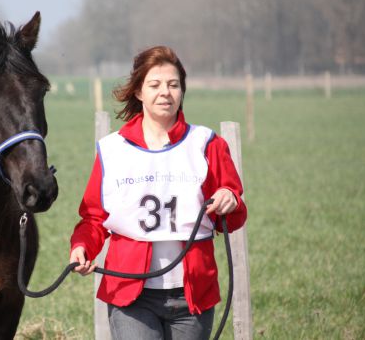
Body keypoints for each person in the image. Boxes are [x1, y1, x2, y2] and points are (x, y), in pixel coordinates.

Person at [69, 46, 247, 340]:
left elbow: (235, 217)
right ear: (139, 92)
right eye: (155, 85)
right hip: (130, 294)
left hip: (192, 297)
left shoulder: (207, 144)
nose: (165, 92)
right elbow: (93, 217)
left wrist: (230, 199)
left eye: (173, 85)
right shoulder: (113, 149)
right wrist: (82, 247)